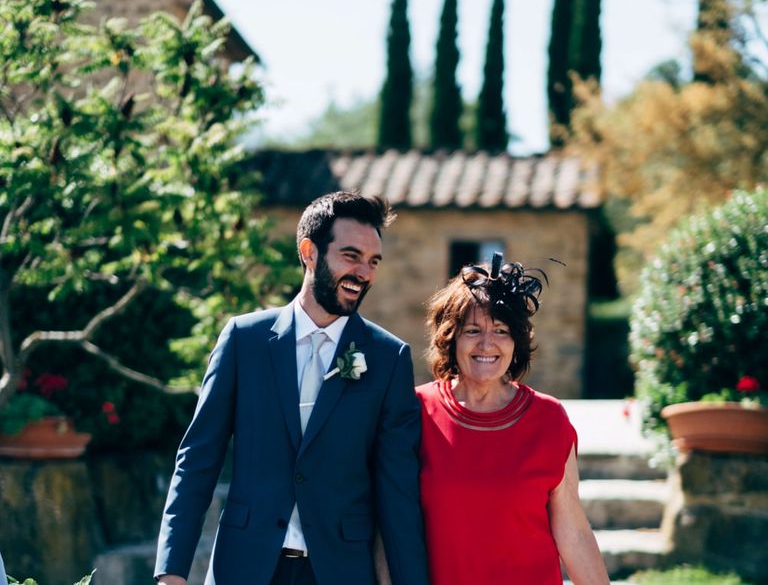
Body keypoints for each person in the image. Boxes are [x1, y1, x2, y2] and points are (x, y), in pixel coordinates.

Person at [155, 191, 429, 585]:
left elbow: (397, 490)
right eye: (351, 256)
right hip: (244, 567)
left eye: (373, 262)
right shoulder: (243, 340)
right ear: (309, 252)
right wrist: (171, 571)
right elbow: (198, 458)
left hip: (340, 572)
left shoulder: (388, 359)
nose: (364, 273)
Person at [417, 254, 610, 585]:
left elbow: (573, 530)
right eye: (472, 330)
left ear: (517, 341)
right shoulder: (417, 411)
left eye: (501, 330)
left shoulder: (549, 419)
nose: (487, 344)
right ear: (451, 338)